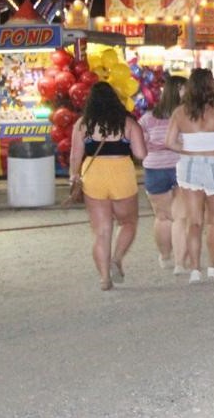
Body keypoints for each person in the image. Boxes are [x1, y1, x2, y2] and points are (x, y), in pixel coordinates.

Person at [68, 81, 148, 290]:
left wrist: (73, 176)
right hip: (121, 173)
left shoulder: (82, 124)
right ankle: (117, 258)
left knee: (102, 231)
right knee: (128, 222)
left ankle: (104, 279)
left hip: (94, 176)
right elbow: (141, 154)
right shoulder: (128, 123)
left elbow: (75, 155)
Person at [165, 68, 214, 283]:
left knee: (194, 221)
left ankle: (195, 269)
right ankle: (213, 266)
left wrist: (188, 149)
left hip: (189, 166)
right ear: (211, 86)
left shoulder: (179, 112)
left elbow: (169, 142)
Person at [137, 73, 188, 273]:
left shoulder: (148, 118)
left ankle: (165, 257)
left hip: (154, 168)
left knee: (162, 217)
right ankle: (180, 261)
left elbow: (140, 143)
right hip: (181, 166)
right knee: (180, 217)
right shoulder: (185, 116)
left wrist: (155, 147)